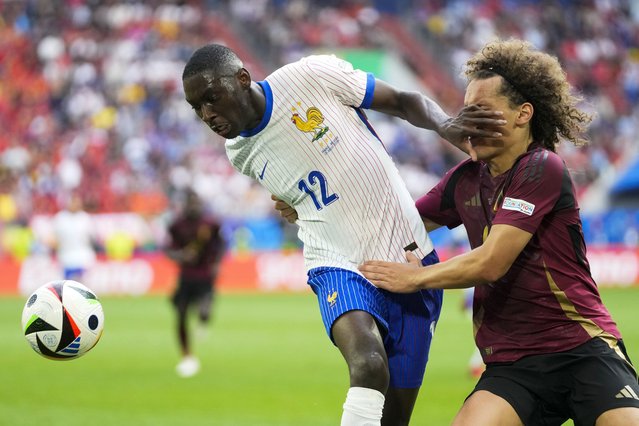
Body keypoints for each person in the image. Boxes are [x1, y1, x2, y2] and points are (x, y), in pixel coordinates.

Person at [182, 44, 505, 425]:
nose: (207, 114)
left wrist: (444, 124)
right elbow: (301, 195)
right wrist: (292, 207)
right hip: (337, 262)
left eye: (211, 98)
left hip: (410, 260)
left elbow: (403, 100)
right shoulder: (239, 152)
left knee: (393, 419)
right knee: (368, 363)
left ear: (241, 78)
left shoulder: (310, 76)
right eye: (196, 107)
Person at [358, 39, 639, 425]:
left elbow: (492, 262)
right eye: (467, 112)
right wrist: (307, 204)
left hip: (582, 348)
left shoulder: (543, 167)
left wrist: (417, 278)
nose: (469, 124)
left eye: (483, 112)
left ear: (523, 114)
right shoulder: (464, 180)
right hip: (512, 365)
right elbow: (388, 221)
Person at [165, 189, 225, 378]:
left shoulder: (211, 224)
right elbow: (169, 250)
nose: (194, 207)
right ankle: (187, 355)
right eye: (191, 203)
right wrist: (182, 256)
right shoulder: (177, 226)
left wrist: (216, 263)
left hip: (206, 275)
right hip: (186, 277)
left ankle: (203, 319)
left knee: (204, 311)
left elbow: (221, 245)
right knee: (181, 315)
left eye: (197, 203)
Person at [52, 193, 97, 281]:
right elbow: (52, 238)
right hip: (65, 258)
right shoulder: (60, 218)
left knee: (81, 286)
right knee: (67, 286)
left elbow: (93, 238)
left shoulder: (85, 218)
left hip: (83, 257)